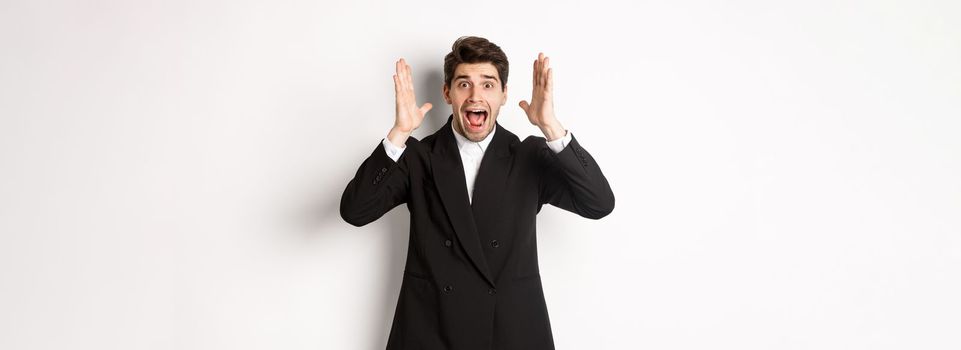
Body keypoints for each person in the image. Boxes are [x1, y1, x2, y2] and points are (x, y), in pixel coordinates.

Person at [340, 36, 615, 350]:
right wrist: (399, 134)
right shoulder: (418, 157)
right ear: (447, 92)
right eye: (463, 84)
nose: (475, 96)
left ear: (503, 94)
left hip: (510, 334)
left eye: (487, 85)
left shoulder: (529, 155)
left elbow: (599, 203)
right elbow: (355, 211)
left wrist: (551, 126)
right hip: (431, 331)